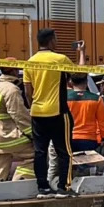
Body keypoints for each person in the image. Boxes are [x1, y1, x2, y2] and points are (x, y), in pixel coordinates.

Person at [23, 29, 84, 197]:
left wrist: (33, 106)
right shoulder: (59, 59)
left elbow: (28, 92)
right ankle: (63, 188)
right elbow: (80, 74)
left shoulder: (29, 62)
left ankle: (42, 188)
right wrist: (81, 53)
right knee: (64, 151)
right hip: (58, 112)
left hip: (37, 113)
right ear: (51, 41)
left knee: (40, 152)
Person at [0, 60, 34, 182]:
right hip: (10, 138)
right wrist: (33, 135)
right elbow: (20, 116)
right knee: (34, 156)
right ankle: (20, 181)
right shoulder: (11, 90)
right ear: (14, 70)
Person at [68, 73, 104, 155]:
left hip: (69, 137)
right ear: (86, 82)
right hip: (89, 139)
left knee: (70, 165)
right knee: (88, 166)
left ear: (71, 82)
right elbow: (102, 121)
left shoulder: (64, 98)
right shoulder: (97, 99)